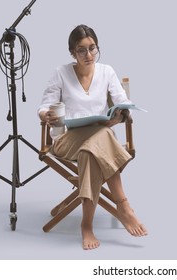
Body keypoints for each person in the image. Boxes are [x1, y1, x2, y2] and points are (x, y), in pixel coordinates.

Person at [38, 24, 147, 250]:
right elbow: (45, 104)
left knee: (91, 150)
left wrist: (119, 115)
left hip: (96, 143)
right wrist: (45, 114)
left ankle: (86, 225)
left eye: (92, 48)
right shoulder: (61, 73)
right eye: (81, 50)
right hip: (68, 140)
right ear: (72, 52)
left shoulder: (107, 71)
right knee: (103, 136)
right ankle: (124, 207)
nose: (88, 55)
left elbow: (121, 101)